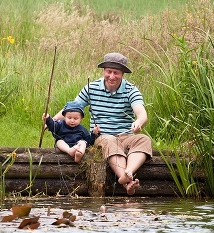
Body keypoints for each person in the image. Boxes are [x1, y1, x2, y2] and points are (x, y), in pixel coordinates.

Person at [53, 52, 152, 195]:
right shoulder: (91, 87)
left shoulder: (131, 90)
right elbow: (72, 108)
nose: (112, 76)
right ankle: (126, 181)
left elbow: (142, 113)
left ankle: (128, 172)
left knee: (144, 139)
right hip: (103, 136)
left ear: (123, 74)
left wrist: (138, 122)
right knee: (110, 140)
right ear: (104, 71)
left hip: (126, 136)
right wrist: (53, 121)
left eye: (116, 73)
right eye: (109, 72)